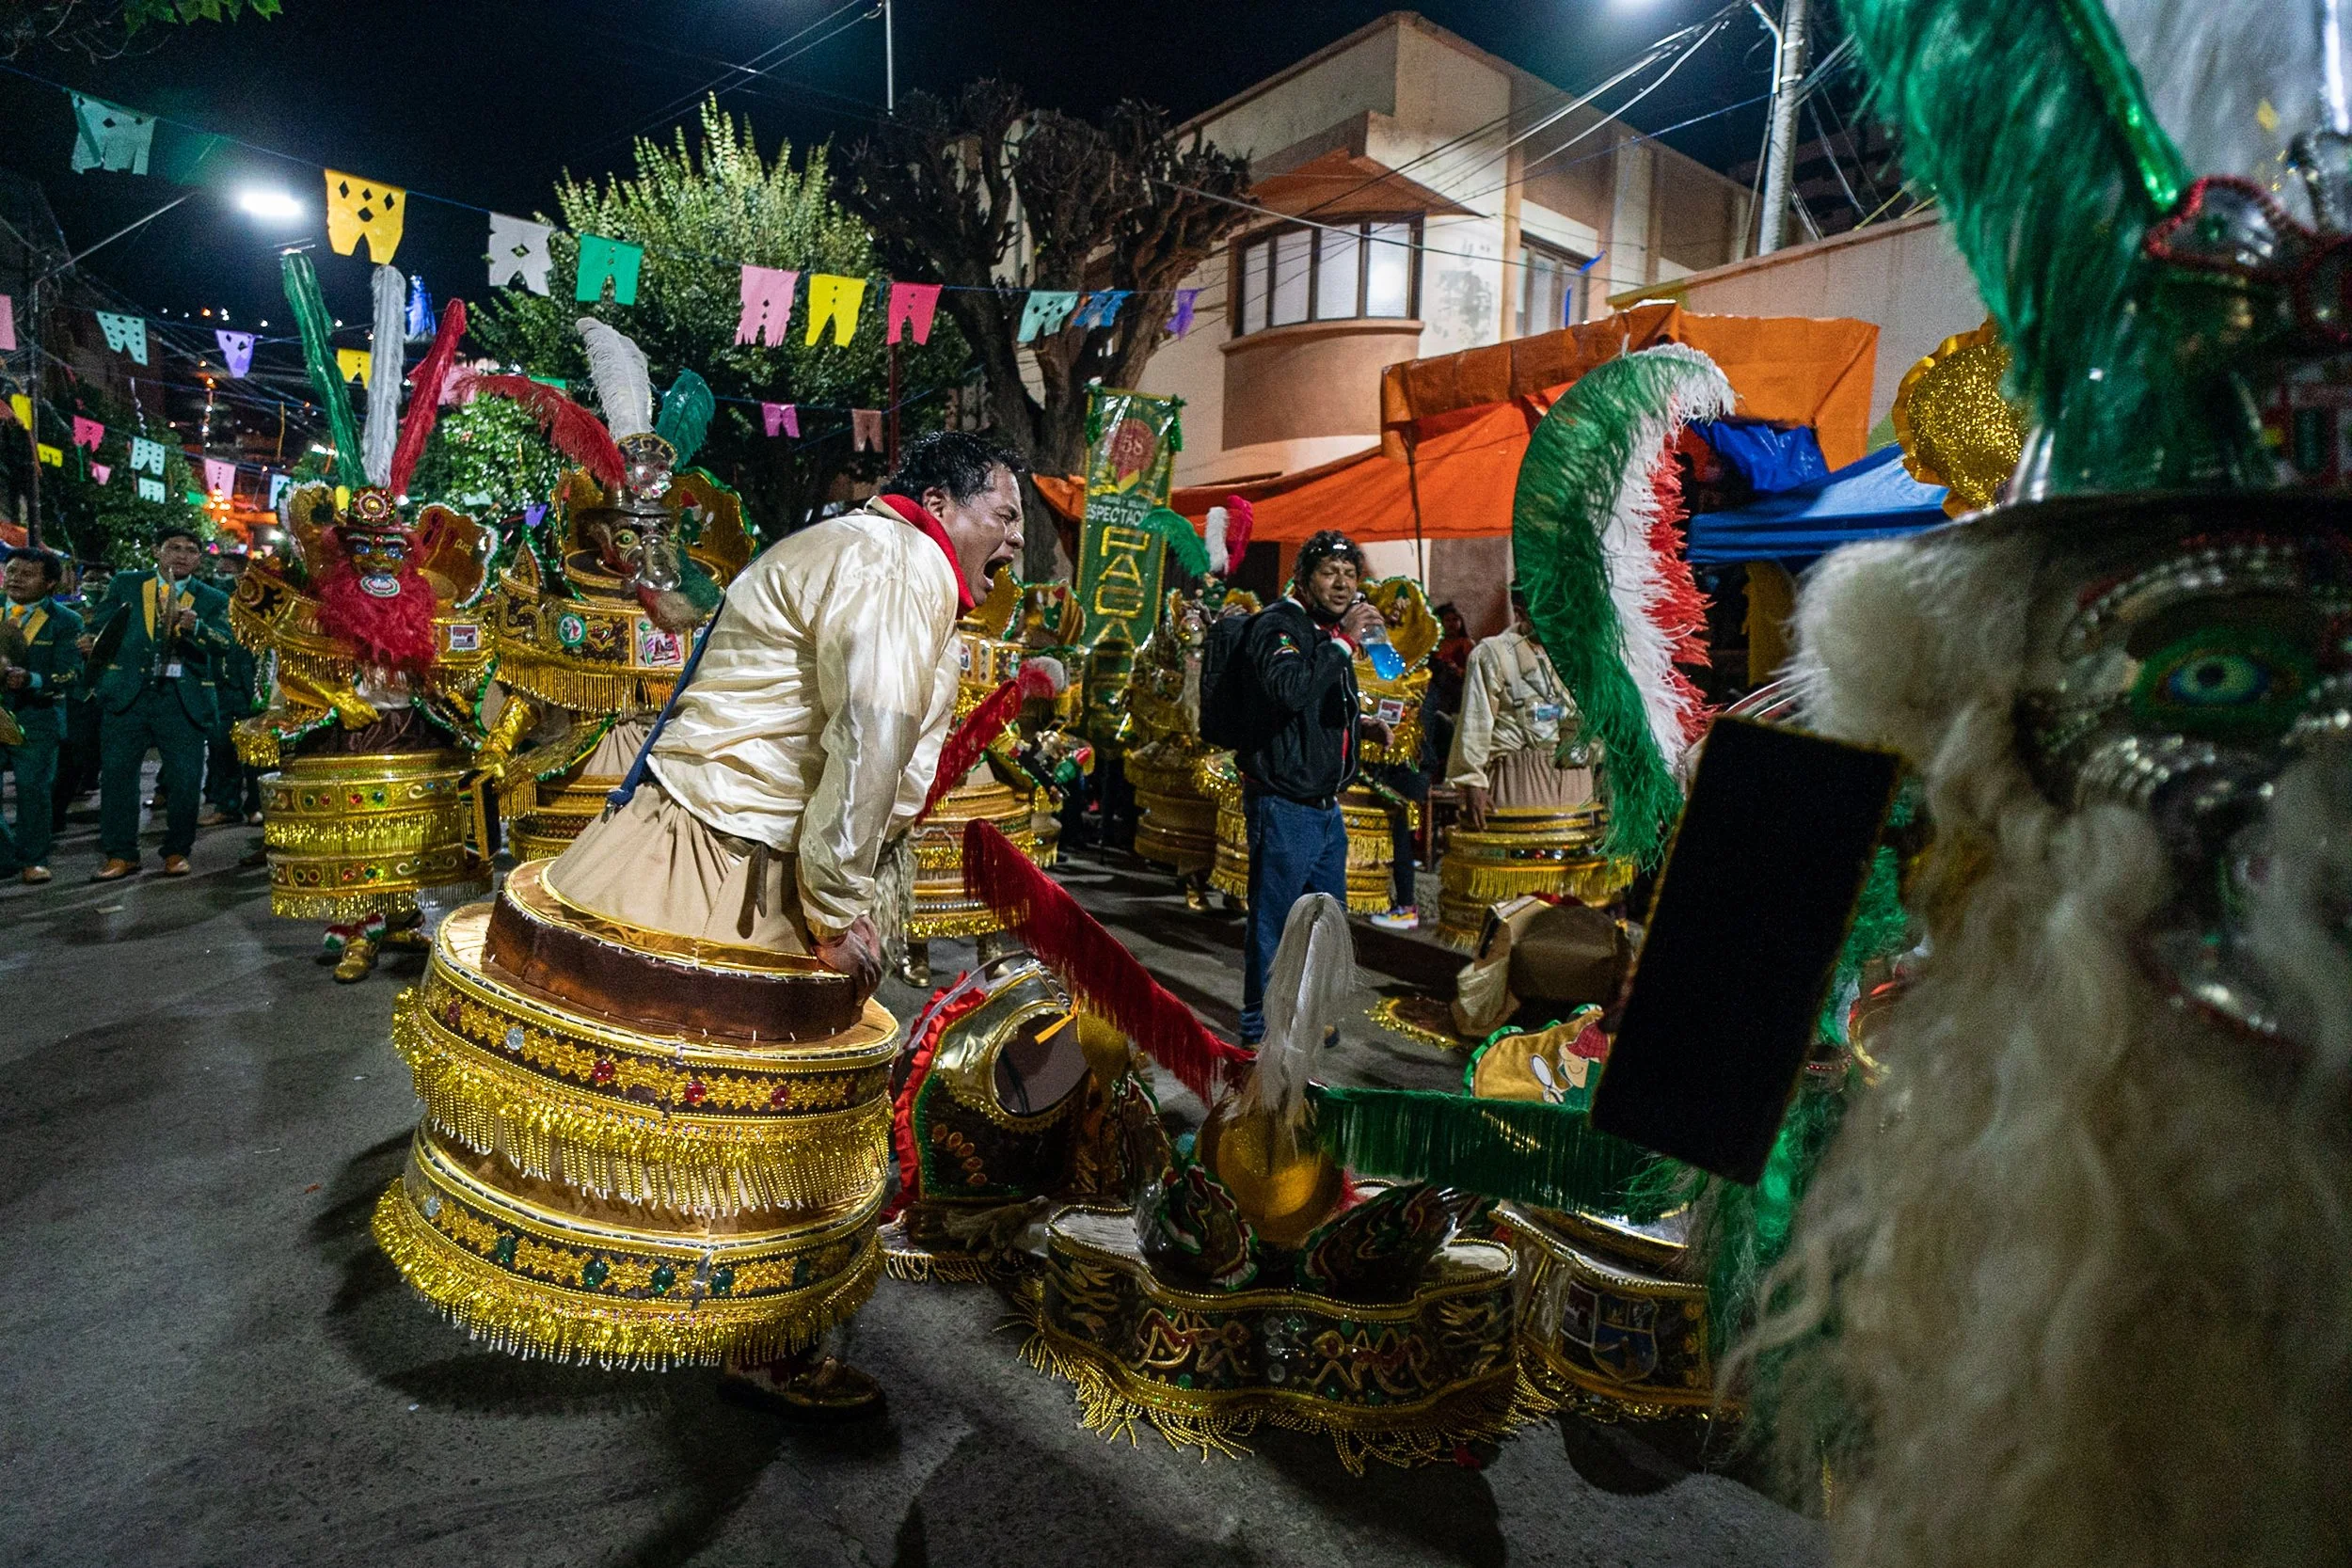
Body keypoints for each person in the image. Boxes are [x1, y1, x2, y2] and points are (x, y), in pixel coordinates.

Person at [374, 429, 1027, 1417]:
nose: (1015, 539)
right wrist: (839, 904)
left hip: (699, 829)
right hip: (740, 856)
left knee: (667, 1092)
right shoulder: (899, 562)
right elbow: (871, 732)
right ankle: (754, 1334)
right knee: (761, 1109)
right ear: (940, 497)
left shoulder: (848, 541)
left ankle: (707, 1307)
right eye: (1005, 513)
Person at [1232, 529, 1390, 1042]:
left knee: (1325, 923)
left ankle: (1308, 1013)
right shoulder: (1279, 627)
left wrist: (1360, 725)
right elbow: (1289, 690)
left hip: (1325, 808)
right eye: (1329, 572)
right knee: (1275, 923)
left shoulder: (1328, 634)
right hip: (1282, 804)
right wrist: (1342, 642)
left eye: (1350, 575)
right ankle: (1259, 1023)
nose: (1343, 583)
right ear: (1303, 578)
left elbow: (1316, 708)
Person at [80, 525, 232, 880]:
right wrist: (88, 643)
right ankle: (121, 854)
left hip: (182, 700)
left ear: (198, 558)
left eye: (190, 550)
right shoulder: (126, 584)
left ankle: (177, 850)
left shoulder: (212, 598)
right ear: (156, 551)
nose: (181, 554)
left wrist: (196, 628)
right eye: (173, 547)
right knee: (117, 777)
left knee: (185, 779)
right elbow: (100, 629)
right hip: (127, 696)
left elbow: (224, 643)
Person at [1448, 589, 1593, 829]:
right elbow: (1475, 721)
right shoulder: (1492, 653)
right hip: (1518, 780)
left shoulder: (1576, 655)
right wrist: (1472, 781)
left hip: (1576, 783)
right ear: (1520, 612)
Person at [1, 547, 83, 883]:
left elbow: (71, 674)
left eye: (27, 573)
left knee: (32, 790)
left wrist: (31, 680)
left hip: (37, 717)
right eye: (12, 571)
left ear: (50, 584)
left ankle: (33, 858)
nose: (16, 578)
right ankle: (6, 854)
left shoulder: (67, 621)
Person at [200, 550, 262, 827]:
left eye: (227, 572)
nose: (221, 577)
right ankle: (227, 805)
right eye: (219, 571)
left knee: (255, 754)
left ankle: (255, 806)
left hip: (251, 689)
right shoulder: (212, 603)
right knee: (221, 749)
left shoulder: (258, 602)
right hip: (220, 687)